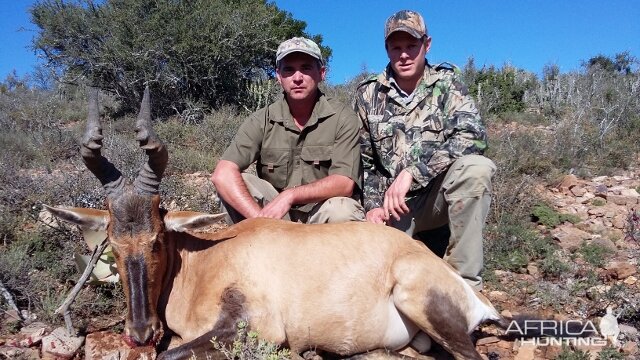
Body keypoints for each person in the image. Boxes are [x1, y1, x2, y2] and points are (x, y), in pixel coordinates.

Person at [354, 10, 496, 290]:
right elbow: (364, 163)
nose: (404, 55)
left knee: (477, 168)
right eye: (396, 47)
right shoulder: (368, 94)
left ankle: (466, 288)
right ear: (387, 49)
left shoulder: (448, 83)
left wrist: (412, 172)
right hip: (392, 207)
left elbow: (472, 137)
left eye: (411, 46)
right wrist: (372, 207)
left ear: (426, 45)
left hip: (435, 199)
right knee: (378, 281)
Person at [211, 37, 364, 224]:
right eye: (288, 70)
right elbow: (222, 174)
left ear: (321, 73)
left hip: (320, 214)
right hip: (275, 218)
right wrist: (260, 221)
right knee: (239, 183)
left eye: (306, 68)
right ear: (278, 76)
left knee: (343, 210)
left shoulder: (342, 117)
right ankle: (257, 250)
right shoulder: (261, 120)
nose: (297, 78)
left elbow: (344, 183)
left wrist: (290, 195)